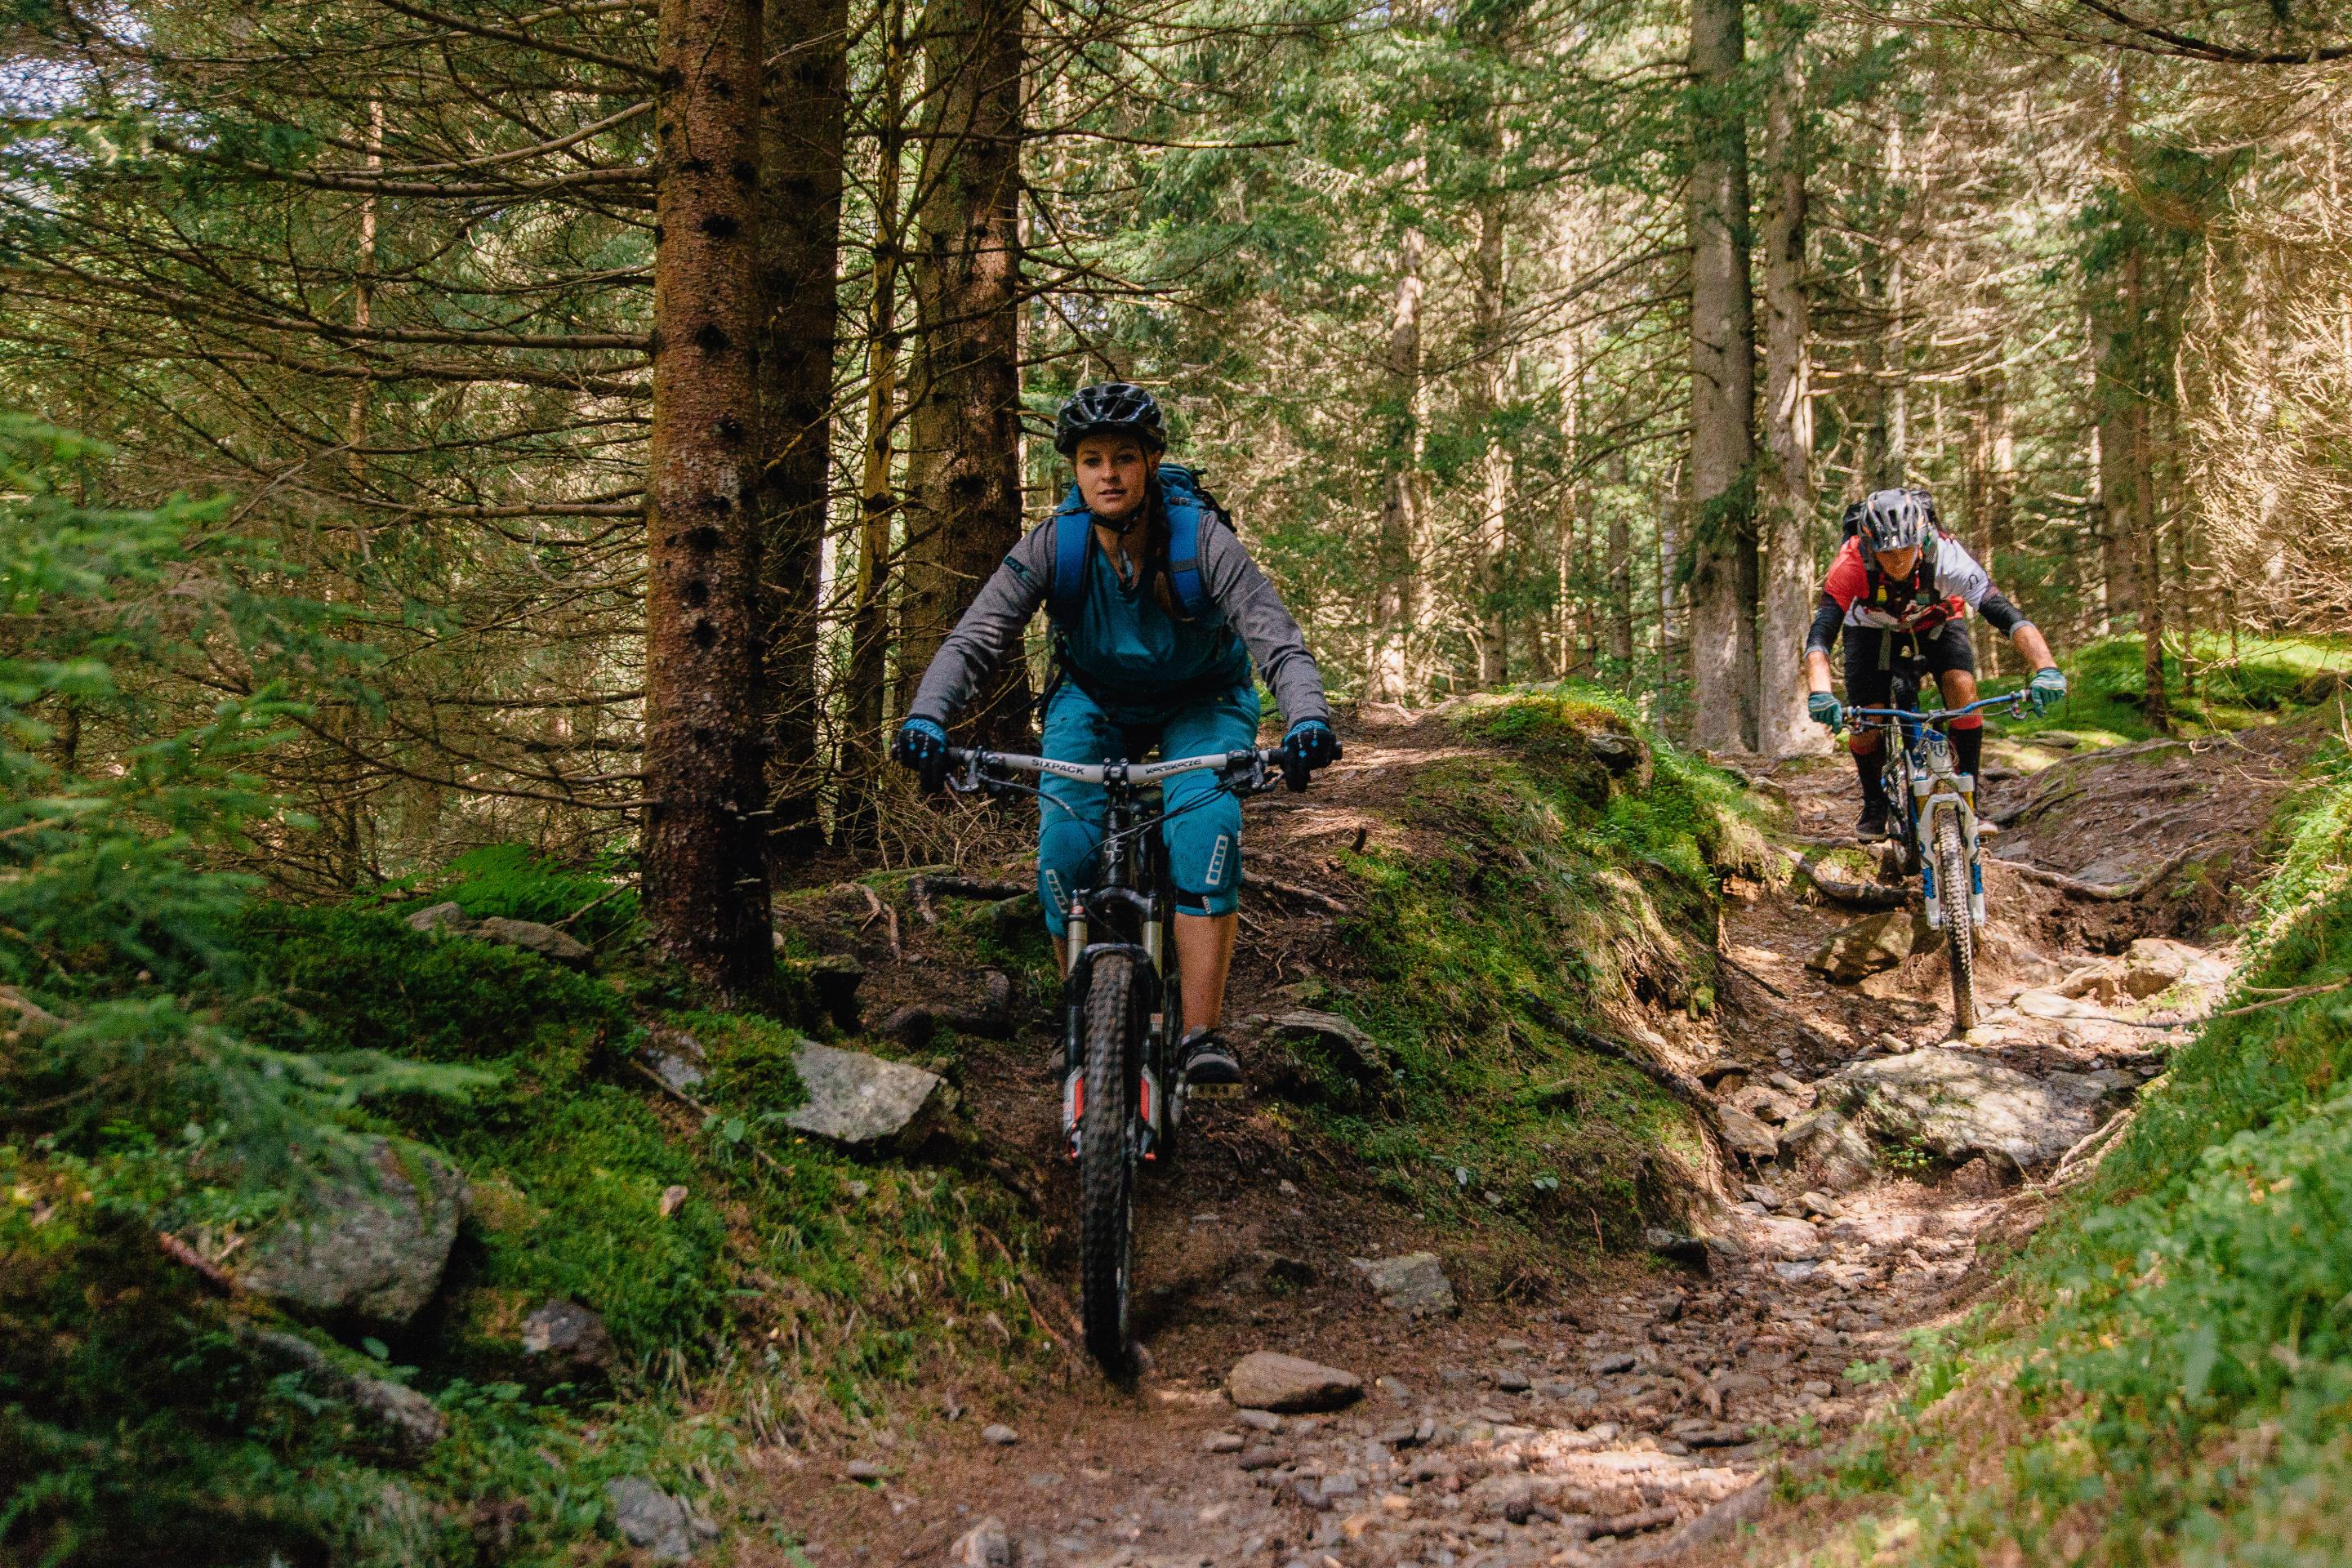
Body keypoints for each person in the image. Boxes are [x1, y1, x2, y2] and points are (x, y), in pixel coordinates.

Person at [892, 382, 1340, 1092]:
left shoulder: (1200, 541)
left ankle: (1199, 1033)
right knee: (1064, 849)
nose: (1108, 474)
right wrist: (926, 717)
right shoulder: (1056, 545)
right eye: (1092, 460)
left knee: (1205, 829)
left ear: (1151, 462)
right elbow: (975, 638)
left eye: (1124, 458)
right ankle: (1082, 1020)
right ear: (1074, 469)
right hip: (1093, 701)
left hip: (1202, 700)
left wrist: (1307, 718)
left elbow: (1275, 639)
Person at [1803, 488, 2068, 839]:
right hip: (1869, 629)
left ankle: (1969, 802)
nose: (1898, 561)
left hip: (1937, 622)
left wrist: (2046, 668)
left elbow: (2008, 617)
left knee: (1963, 689)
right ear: (1869, 546)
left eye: (1906, 550)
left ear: (1923, 539)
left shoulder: (1948, 557)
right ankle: (1875, 804)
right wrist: (1821, 692)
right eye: (1887, 553)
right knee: (1867, 719)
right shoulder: (1850, 565)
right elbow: (1820, 637)